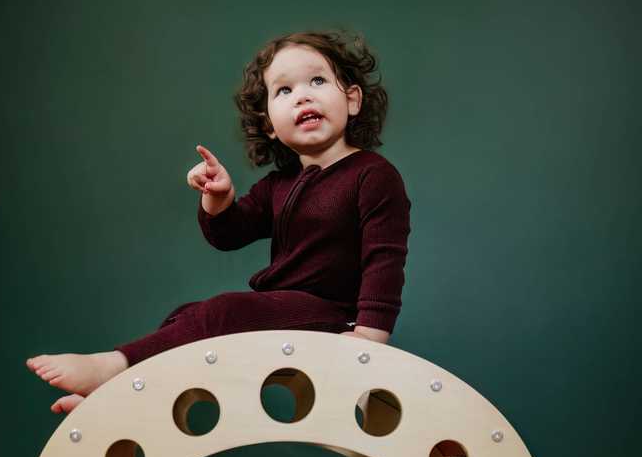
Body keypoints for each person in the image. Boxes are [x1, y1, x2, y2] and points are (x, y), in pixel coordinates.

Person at [26, 29, 412, 414]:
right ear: (269, 125)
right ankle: (122, 395)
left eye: (317, 81)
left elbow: (384, 260)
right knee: (186, 315)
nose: (302, 96)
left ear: (352, 99)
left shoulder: (372, 175)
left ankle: (114, 365)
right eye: (284, 90)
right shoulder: (278, 184)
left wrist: (368, 339)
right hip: (281, 309)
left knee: (224, 312)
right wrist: (219, 198)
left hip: (335, 318)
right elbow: (228, 234)